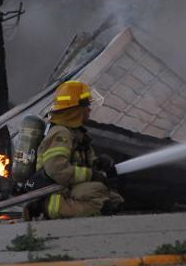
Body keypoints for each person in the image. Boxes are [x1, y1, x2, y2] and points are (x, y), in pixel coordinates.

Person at [34, 79, 122, 219]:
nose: (89, 109)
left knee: (114, 197)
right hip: (56, 196)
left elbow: (79, 163)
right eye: (87, 105)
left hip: (70, 188)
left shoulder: (76, 134)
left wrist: (97, 163)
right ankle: (57, 211)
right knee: (99, 193)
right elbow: (58, 170)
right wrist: (91, 175)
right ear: (76, 110)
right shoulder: (61, 133)